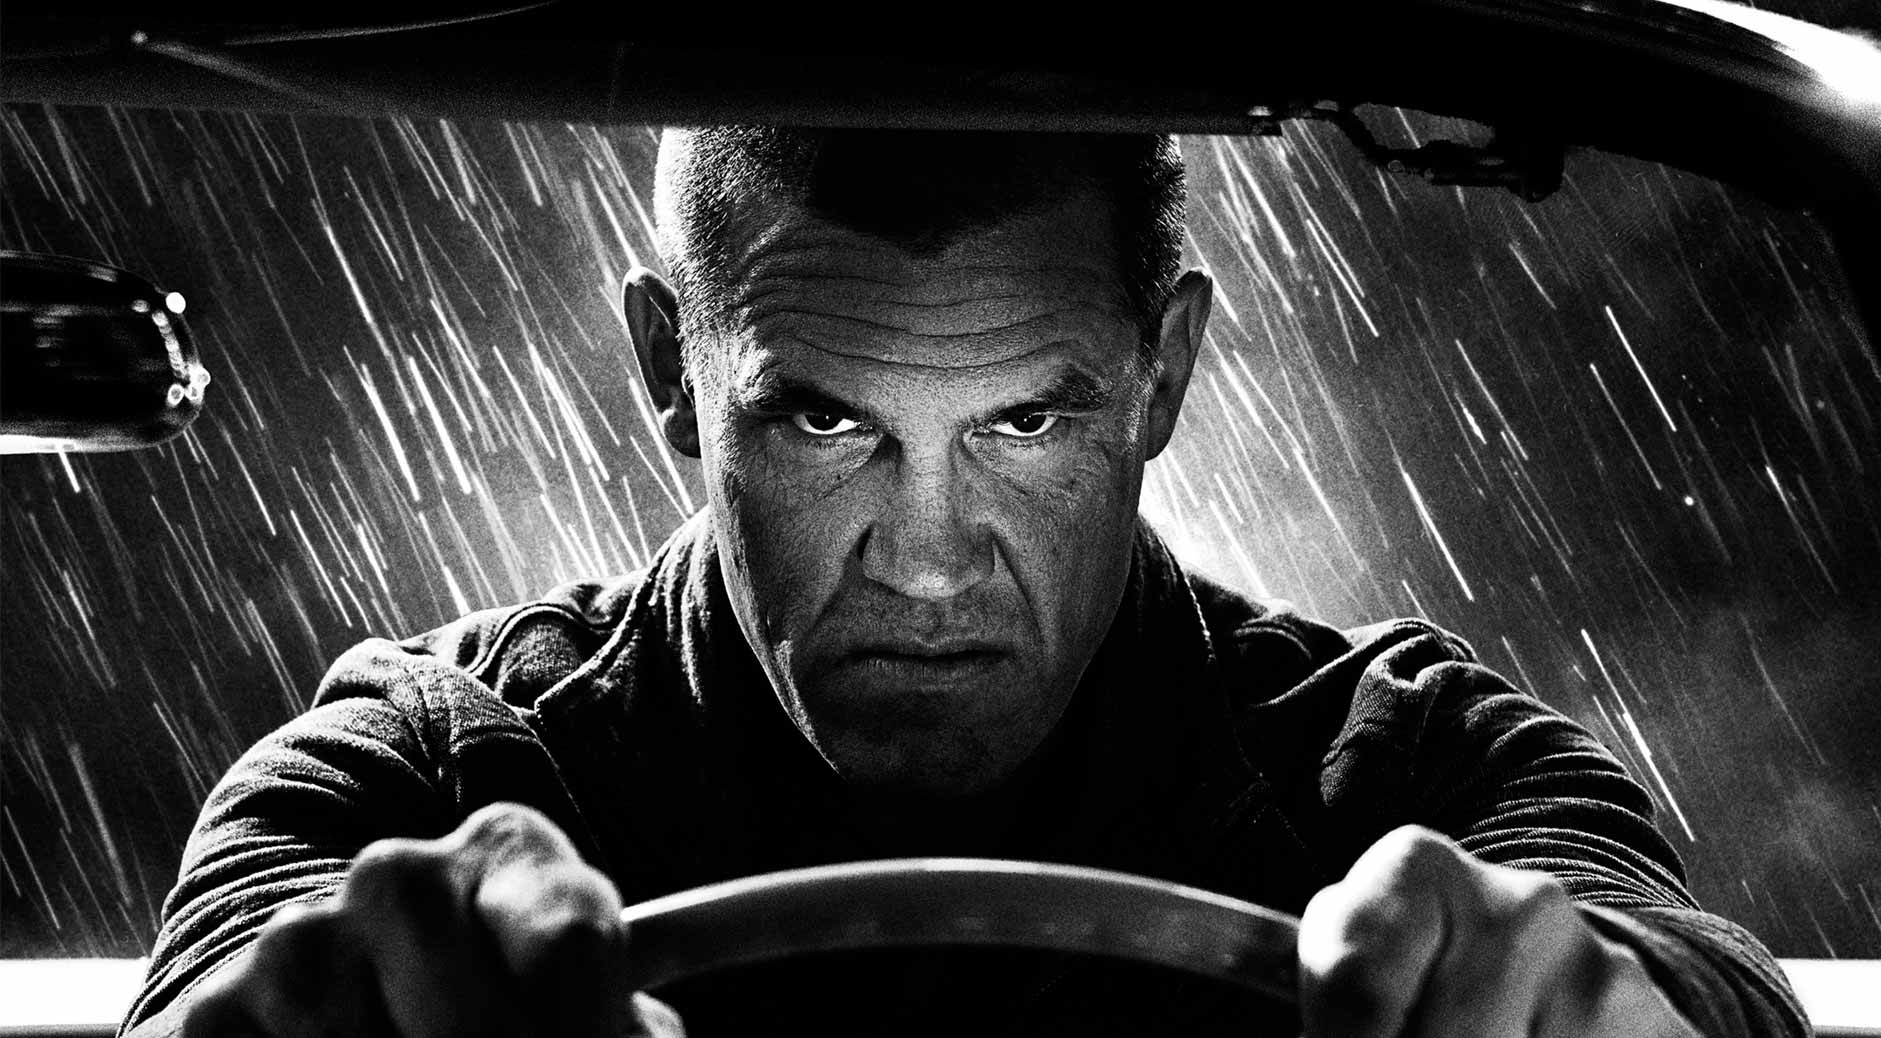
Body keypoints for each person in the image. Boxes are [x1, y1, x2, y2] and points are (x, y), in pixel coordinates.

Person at [121, 128, 1806, 1038]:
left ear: (1160, 375)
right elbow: (242, 967)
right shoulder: (420, 773)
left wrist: (1604, 1004)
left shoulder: (1415, 768)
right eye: (823, 419)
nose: (927, 560)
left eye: (1023, 421)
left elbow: (1677, 968)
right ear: (663, 372)